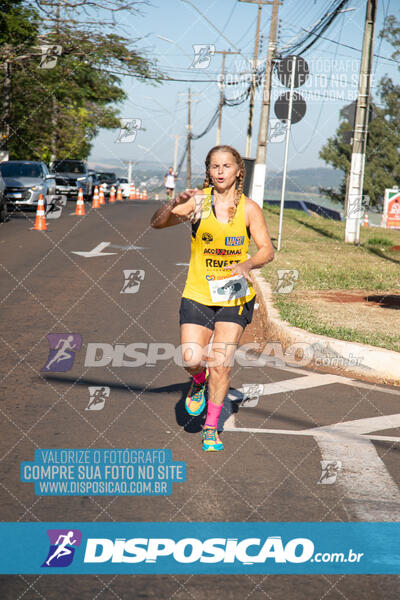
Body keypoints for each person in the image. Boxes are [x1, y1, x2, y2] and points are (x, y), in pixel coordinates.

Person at [151, 145, 274, 452]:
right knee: (192, 359)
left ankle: (210, 427)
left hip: (234, 297)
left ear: (237, 171)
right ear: (208, 171)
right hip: (197, 294)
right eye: (214, 166)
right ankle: (197, 381)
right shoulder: (198, 203)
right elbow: (156, 223)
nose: (220, 171)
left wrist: (247, 264)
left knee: (221, 364)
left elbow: (267, 250)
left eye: (226, 166)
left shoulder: (249, 209)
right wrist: (173, 203)